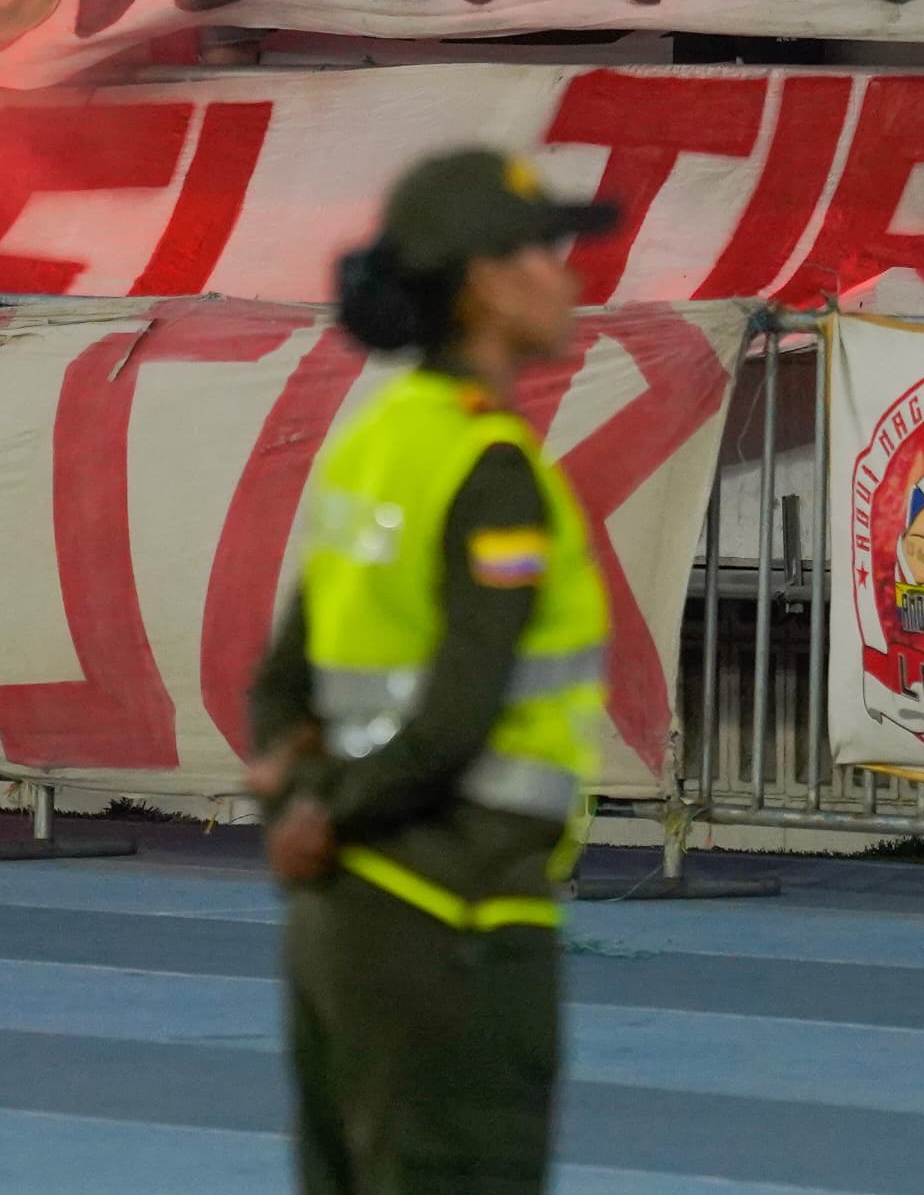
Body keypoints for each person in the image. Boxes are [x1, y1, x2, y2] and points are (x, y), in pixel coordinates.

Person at [253, 147, 614, 1195]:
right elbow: (461, 715)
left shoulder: (373, 442)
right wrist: (336, 810)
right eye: (546, 252)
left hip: (335, 931)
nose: (571, 275)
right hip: (454, 924)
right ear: (484, 282)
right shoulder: (489, 466)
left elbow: (283, 683)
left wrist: (304, 800)